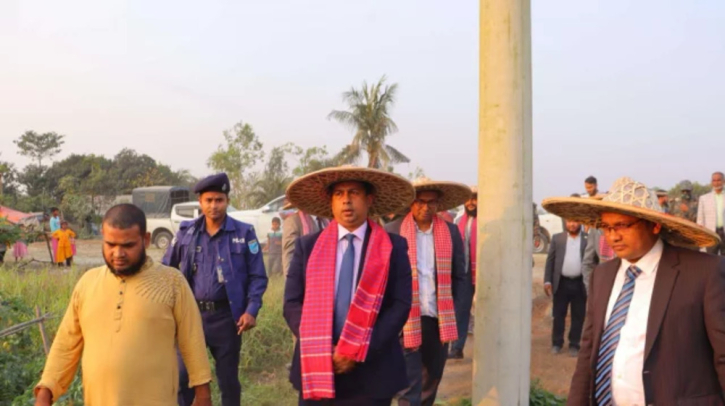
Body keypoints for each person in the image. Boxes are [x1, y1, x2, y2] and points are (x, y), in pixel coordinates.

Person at [542, 178, 725, 405]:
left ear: (654, 225)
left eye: (622, 225)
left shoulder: (702, 273)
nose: (613, 237)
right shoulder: (602, 276)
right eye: (607, 228)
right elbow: (589, 352)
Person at [33, 204, 212, 406]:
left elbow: (192, 339)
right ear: (103, 237)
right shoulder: (87, 283)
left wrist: (203, 394)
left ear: (145, 239)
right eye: (110, 244)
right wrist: (46, 392)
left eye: (128, 245)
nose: (118, 254)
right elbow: (65, 344)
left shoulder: (172, 282)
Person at [283, 166, 415, 405]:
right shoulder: (309, 247)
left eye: (353, 192)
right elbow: (292, 302)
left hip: (373, 370)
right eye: (339, 194)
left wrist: (358, 350)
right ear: (331, 202)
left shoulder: (392, 248)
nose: (346, 201)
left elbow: (400, 305)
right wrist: (321, 343)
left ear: (369, 199)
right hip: (318, 364)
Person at [163, 173, 269, 406]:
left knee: (228, 381)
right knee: (183, 378)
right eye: (209, 200)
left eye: (219, 200)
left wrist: (251, 310)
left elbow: (258, 276)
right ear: (200, 202)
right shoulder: (186, 233)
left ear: (227, 201)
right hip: (190, 317)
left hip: (227, 320)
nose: (214, 206)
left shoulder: (244, 233)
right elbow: (165, 270)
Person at [385, 178, 469, 406]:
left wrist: (458, 319)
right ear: (411, 203)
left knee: (431, 383)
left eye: (431, 202)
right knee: (408, 389)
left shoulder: (450, 233)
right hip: (405, 321)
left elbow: (460, 278)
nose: (425, 207)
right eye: (420, 201)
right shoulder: (392, 232)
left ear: (438, 204)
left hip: (438, 321)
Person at [544, 219, 588, 357]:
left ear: (580, 223)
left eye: (575, 221)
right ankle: (557, 343)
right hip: (561, 284)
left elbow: (593, 261)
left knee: (578, 316)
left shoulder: (587, 239)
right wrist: (547, 281)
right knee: (558, 315)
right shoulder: (558, 238)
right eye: (569, 221)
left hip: (580, 284)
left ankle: (574, 344)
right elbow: (550, 261)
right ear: (565, 222)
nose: (572, 224)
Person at [449, 185, 477, 360]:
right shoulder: (459, 221)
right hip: (464, 273)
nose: (470, 202)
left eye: (474, 198)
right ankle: (457, 348)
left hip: (483, 272)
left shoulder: (487, 219)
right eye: (467, 199)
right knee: (461, 310)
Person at [282, 202, 330, 276]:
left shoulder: (327, 220)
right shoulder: (293, 221)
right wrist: (292, 282)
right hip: (306, 277)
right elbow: (290, 255)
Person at [697, 171, 725, 255]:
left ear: (723, 181)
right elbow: (700, 219)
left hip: (723, 232)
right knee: (711, 257)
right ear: (711, 182)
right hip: (711, 233)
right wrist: (701, 235)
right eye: (714, 180)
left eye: (719, 180)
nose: (716, 183)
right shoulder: (704, 198)